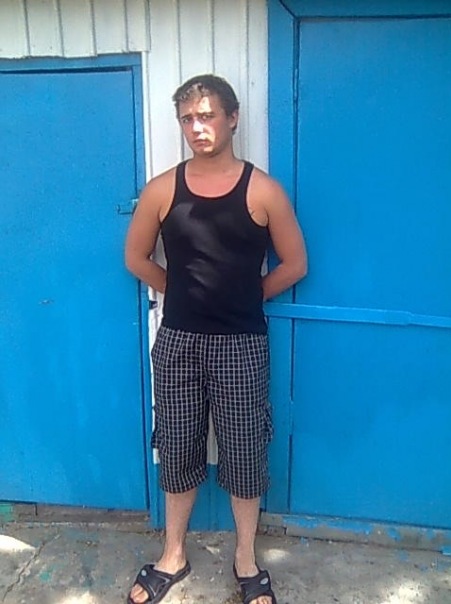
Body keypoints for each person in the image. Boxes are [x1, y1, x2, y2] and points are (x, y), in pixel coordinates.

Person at [124, 74, 307, 604]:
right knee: (177, 446)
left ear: (232, 118)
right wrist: (180, 290)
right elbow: (135, 257)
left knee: (245, 452)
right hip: (178, 341)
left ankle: (246, 559)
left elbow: (295, 264)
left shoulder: (263, 190)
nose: (197, 127)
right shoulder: (163, 189)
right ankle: (172, 554)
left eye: (206, 115)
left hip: (241, 345)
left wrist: (248, 295)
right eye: (187, 119)